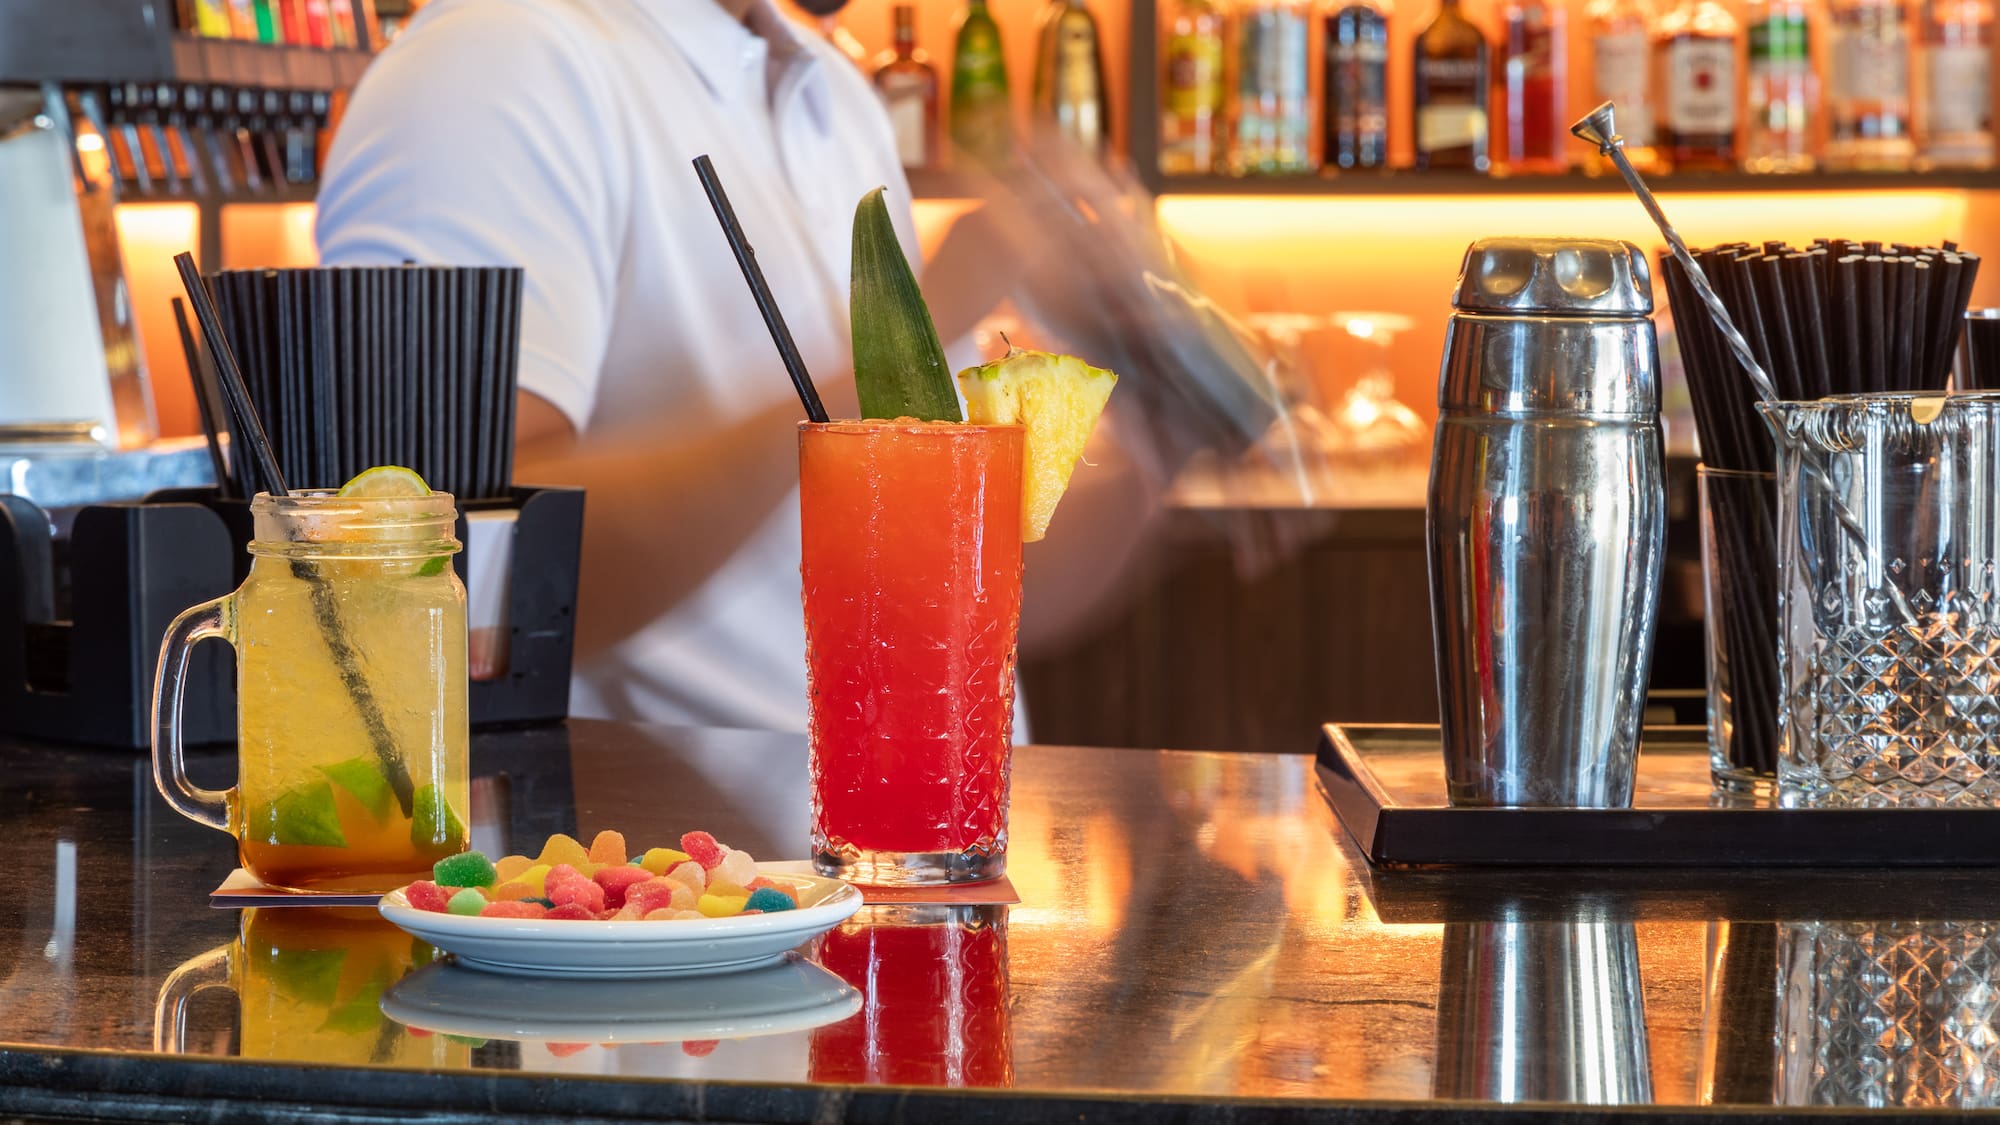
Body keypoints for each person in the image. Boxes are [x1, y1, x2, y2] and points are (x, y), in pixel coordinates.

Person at [316, 0, 1171, 730]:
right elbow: (447, 590)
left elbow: (941, 588)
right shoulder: (490, 64)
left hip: (921, 860)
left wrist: (1164, 428)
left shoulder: (835, 97)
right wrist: (917, 316)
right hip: (694, 895)